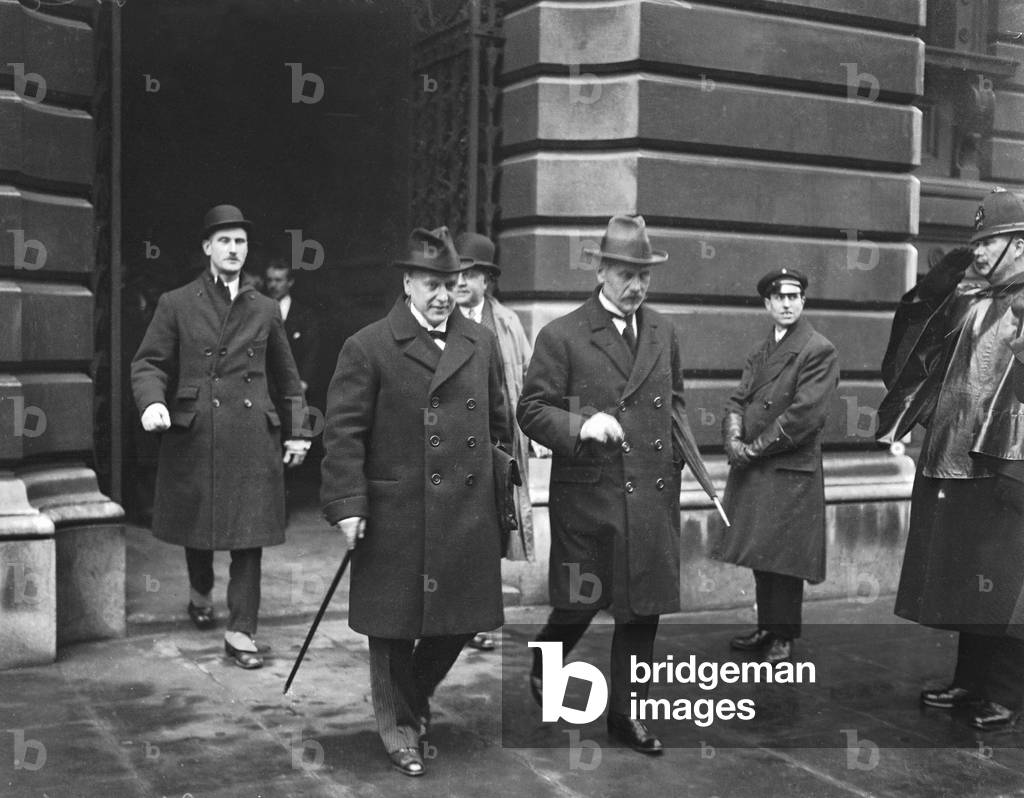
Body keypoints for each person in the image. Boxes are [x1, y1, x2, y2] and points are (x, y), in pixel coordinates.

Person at [320, 226, 510, 776]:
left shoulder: (480, 341)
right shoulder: (370, 345)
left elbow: (498, 425)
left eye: (450, 284)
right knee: (392, 625)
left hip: (466, 509)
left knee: (461, 618)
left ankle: (412, 695)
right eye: (431, 284)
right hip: (397, 510)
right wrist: (349, 504)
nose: (442, 295)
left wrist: (504, 486)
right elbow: (343, 434)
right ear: (407, 283)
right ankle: (398, 727)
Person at [517, 214, 697, 755]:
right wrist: (581, 425)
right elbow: (531, 410)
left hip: (651, 496)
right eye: (625, 273)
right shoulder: (563, 334)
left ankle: (626, 714)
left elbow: (678, 404)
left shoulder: (664, 332)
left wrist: (677, 462)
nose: (636, 285)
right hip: (590, 498)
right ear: (601, 271)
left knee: (643, 609)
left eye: (644, 274)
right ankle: (545, 655)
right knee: (580, 601)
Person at [131, 204, 310, 669]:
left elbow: (289, 379)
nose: (234, 249)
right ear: (207, 248)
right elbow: (149, 362)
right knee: (200, 525)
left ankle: (241, 632)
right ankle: (199, 592)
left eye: (241, 242)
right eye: (225, 241)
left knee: (249, 536)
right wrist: (152, 401)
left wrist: (299, 435)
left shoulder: (264, 308)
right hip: (197, 433)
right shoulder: (177, 302)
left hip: (253, 436)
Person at [877, 187, 1024, 730]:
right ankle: (970, 681)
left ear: (1019, 243)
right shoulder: (971, 297)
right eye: (977, 241)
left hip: (1007, 463)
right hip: (956, 456)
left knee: (1006, 581)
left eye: (989, 242)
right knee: (969, 576)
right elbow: (916, 344)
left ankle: (1004, 691)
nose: (978, 251)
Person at [711, 269, 839, 664]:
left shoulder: (818, 349)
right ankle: (768, 625)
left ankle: (784, 634)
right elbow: (737, 399)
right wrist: (733, 438)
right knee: (761, 551)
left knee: (786, 558)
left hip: (788, 467)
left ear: (803, 302)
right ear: (767, 304)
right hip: (759, 463)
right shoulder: (761, 350)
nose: (786, 303)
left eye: (794, 296)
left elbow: (803, 417)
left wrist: (751, 450)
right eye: (778, 297)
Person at [453, 231, 535, 652]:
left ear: (488, 280)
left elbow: (524, 380)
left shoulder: (506, 323)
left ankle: (482, 619)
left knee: (491, 533)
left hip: (496, 443)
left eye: (473, 274)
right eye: (458, 274)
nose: (463, 282)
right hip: (453, 442)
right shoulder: (443, 320)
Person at [263, 258, 321, 397]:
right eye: (270, 280)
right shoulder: (259, 311)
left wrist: (304, 381)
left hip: (295, 387)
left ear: (290, 282)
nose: (273, 285)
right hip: (264, 389)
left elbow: (311, 350)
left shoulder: (304, 314)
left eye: (278, 280)